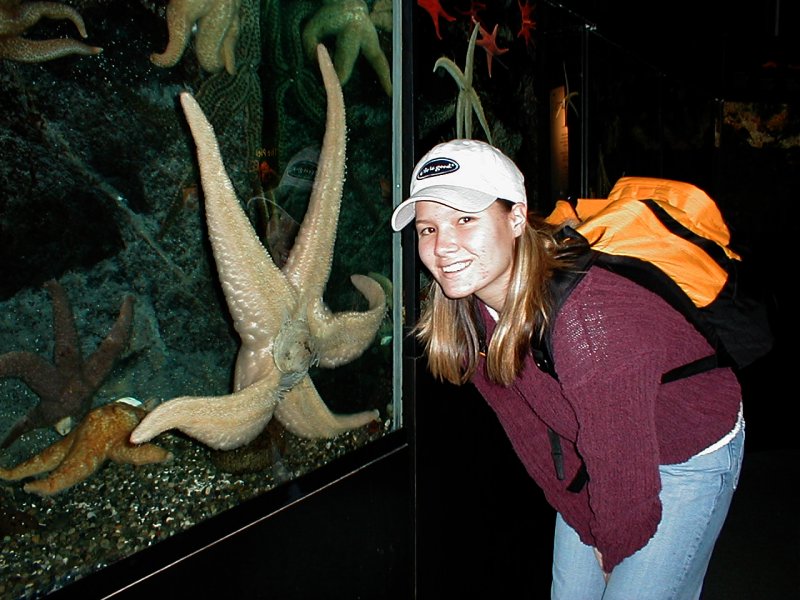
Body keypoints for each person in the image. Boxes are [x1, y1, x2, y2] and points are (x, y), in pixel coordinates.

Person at [391, 138, 744, 600]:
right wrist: (580, 511)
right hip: (604, 451)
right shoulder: (471, 317)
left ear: (516, 218)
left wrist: (614, 546)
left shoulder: (588, 324)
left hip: (687, 450)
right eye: (428, 228)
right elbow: (529, 430)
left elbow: (622, 472)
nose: (443, 246)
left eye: (465, 219)